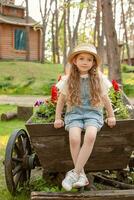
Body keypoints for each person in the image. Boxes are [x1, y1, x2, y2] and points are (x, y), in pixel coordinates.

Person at [54, 43, 116, 191]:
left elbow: (105, 99)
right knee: (74, 138)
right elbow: (61, 101)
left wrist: (111, 115)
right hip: (74, 114)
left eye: (89, 59)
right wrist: (58, 117)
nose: (85, 62)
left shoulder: (98, 78)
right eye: (81, 58)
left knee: (90, 136)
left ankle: (75, 173)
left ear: (94, 62)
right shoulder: (68, 79)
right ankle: (81, 175)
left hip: (93, 113)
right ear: (75, 61)